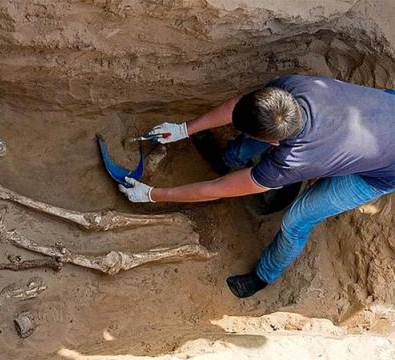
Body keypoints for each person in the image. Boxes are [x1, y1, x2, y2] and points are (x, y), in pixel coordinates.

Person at [118, 74, 395, 298]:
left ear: (275, 145)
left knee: (297, 219)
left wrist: (154, 194)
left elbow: (218, 188)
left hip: (382, 171)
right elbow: (242, 106)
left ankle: (264, 275)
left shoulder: (292, 161)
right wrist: (184, 128)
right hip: (386, 110)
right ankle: (226, 157)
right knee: (253, 132)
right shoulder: (293, 89)